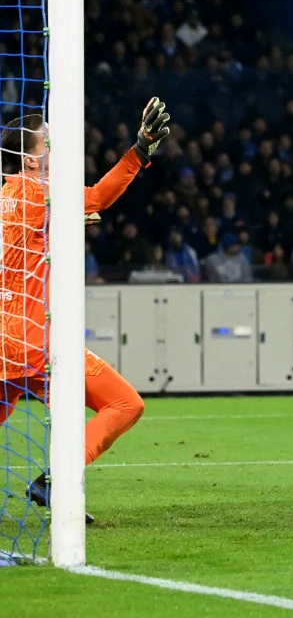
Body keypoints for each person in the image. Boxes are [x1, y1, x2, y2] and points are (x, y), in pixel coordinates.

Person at [0, 98, 170, 522]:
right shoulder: (43, 193)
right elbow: (97, 196)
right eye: (49, 144)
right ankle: (54, 482)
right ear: (30, 158)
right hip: (38, 341)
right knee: (126, 404)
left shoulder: (8, 195)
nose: (56, 150)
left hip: (4, 337)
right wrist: (138, 154)